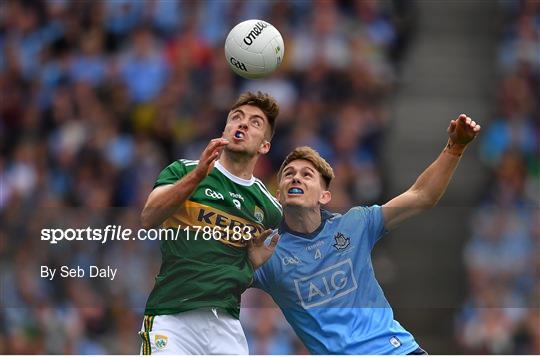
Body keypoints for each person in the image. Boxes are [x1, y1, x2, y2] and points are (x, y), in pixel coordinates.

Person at [248, 114, 481, 354]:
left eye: (307, 174)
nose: (295, 177)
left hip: (398, 350)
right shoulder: (267, 252)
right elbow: (214, 283)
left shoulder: (356, 223)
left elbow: (422, 195)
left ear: (324, 196)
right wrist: (247, 265)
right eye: (288, 174)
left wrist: (455, 147)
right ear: (278, 196)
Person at [139, 91, 282, 355]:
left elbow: (247, 268)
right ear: (225, 130)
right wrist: (197, 176)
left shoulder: (270, 209)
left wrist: (250, 262)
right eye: (236, 118)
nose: (242, 124)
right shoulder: (183, 170)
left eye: (255, 122)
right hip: (172, 317)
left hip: (225, 325)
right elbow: (148, 217)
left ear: (264, 145)